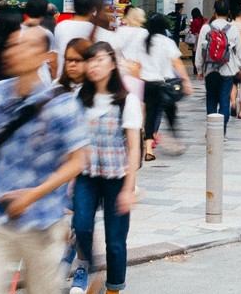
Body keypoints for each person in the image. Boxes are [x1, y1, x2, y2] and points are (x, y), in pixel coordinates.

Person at [0, 26, 88, 294]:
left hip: (43, 221)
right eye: (12, 46)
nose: (16, 52)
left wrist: (32, 195)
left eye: (28, 46)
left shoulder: (62, 104)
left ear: (45, 55)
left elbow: (77, 161)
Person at [69, 42, 141, 294]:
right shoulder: (80, 98)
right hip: (86, 175)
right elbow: (74, 142)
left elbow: (134, 148)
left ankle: (113, 289)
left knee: (115, 242)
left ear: (112, 63)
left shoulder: (126, 101)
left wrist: (128, 189)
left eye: (100, 60)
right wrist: (70, 178)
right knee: (81, 225)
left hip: (117, 177)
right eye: (90, 61)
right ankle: (87, 265)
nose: (94, 66)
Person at [139, 13, 192, 160]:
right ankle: (176, 141)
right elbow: (177, 63)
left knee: (150, 115)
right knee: (171, 114)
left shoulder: (145, 42)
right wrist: (186, 80)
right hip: (164, 84)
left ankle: (149, 149)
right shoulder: (167, 42)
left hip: (147, 83)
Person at [194, 0, 241, 133]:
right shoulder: (232, 29)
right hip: (227, 70)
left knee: (211, 98)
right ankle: (221, 132)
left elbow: (200, 49)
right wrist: (240, 67)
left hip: (210, 70)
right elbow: (240, 52)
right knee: (224, 100)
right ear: (228, 12)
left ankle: (211, 131)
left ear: (214, 11)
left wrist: (199, 68)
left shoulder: (206, 28)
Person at [53, 0, 113, 64]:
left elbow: (55, 55)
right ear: (92, 9)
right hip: (84, 74)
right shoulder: (96, 31)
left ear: (73, 7)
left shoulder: (60, 26)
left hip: (62, 73)